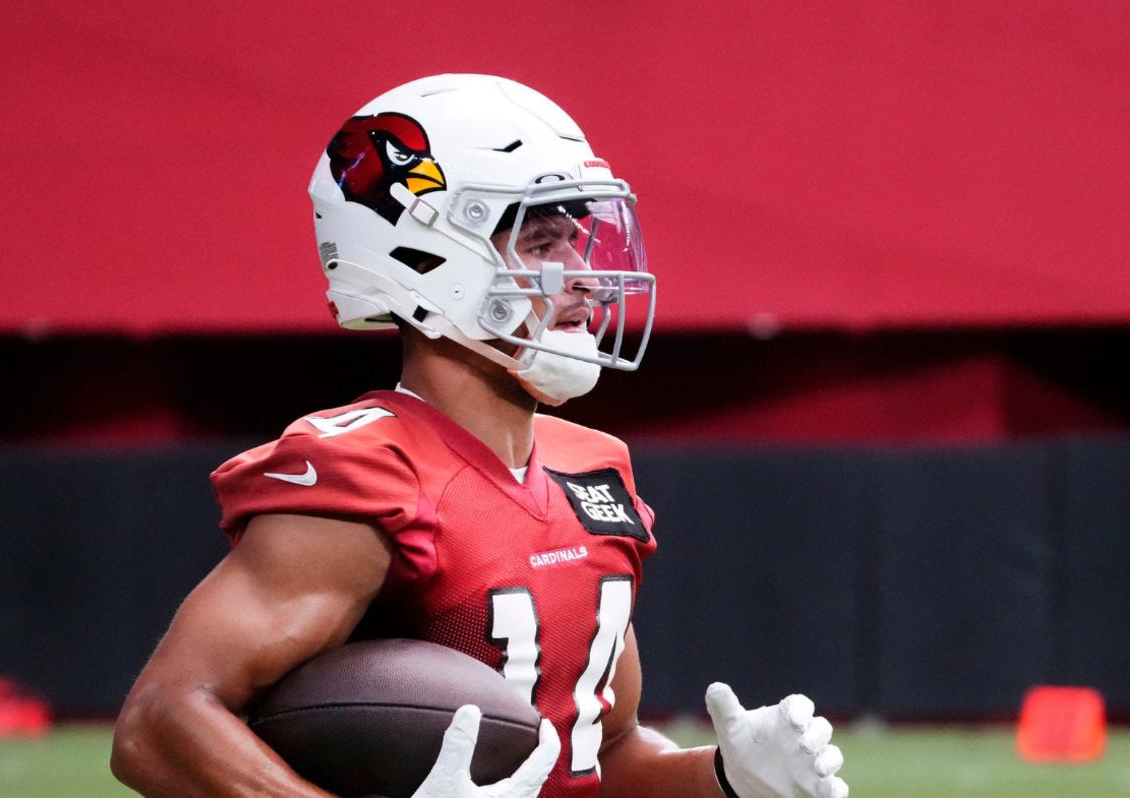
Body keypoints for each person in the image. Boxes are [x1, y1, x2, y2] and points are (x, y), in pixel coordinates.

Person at [110, 74, 849, 798]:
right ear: (427, 261)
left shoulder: (592, 467)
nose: (586, 278)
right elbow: (160, 723)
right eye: (540, 242)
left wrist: (723, 777)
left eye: (577, 240)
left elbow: (599, 755)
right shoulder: (367, 469)